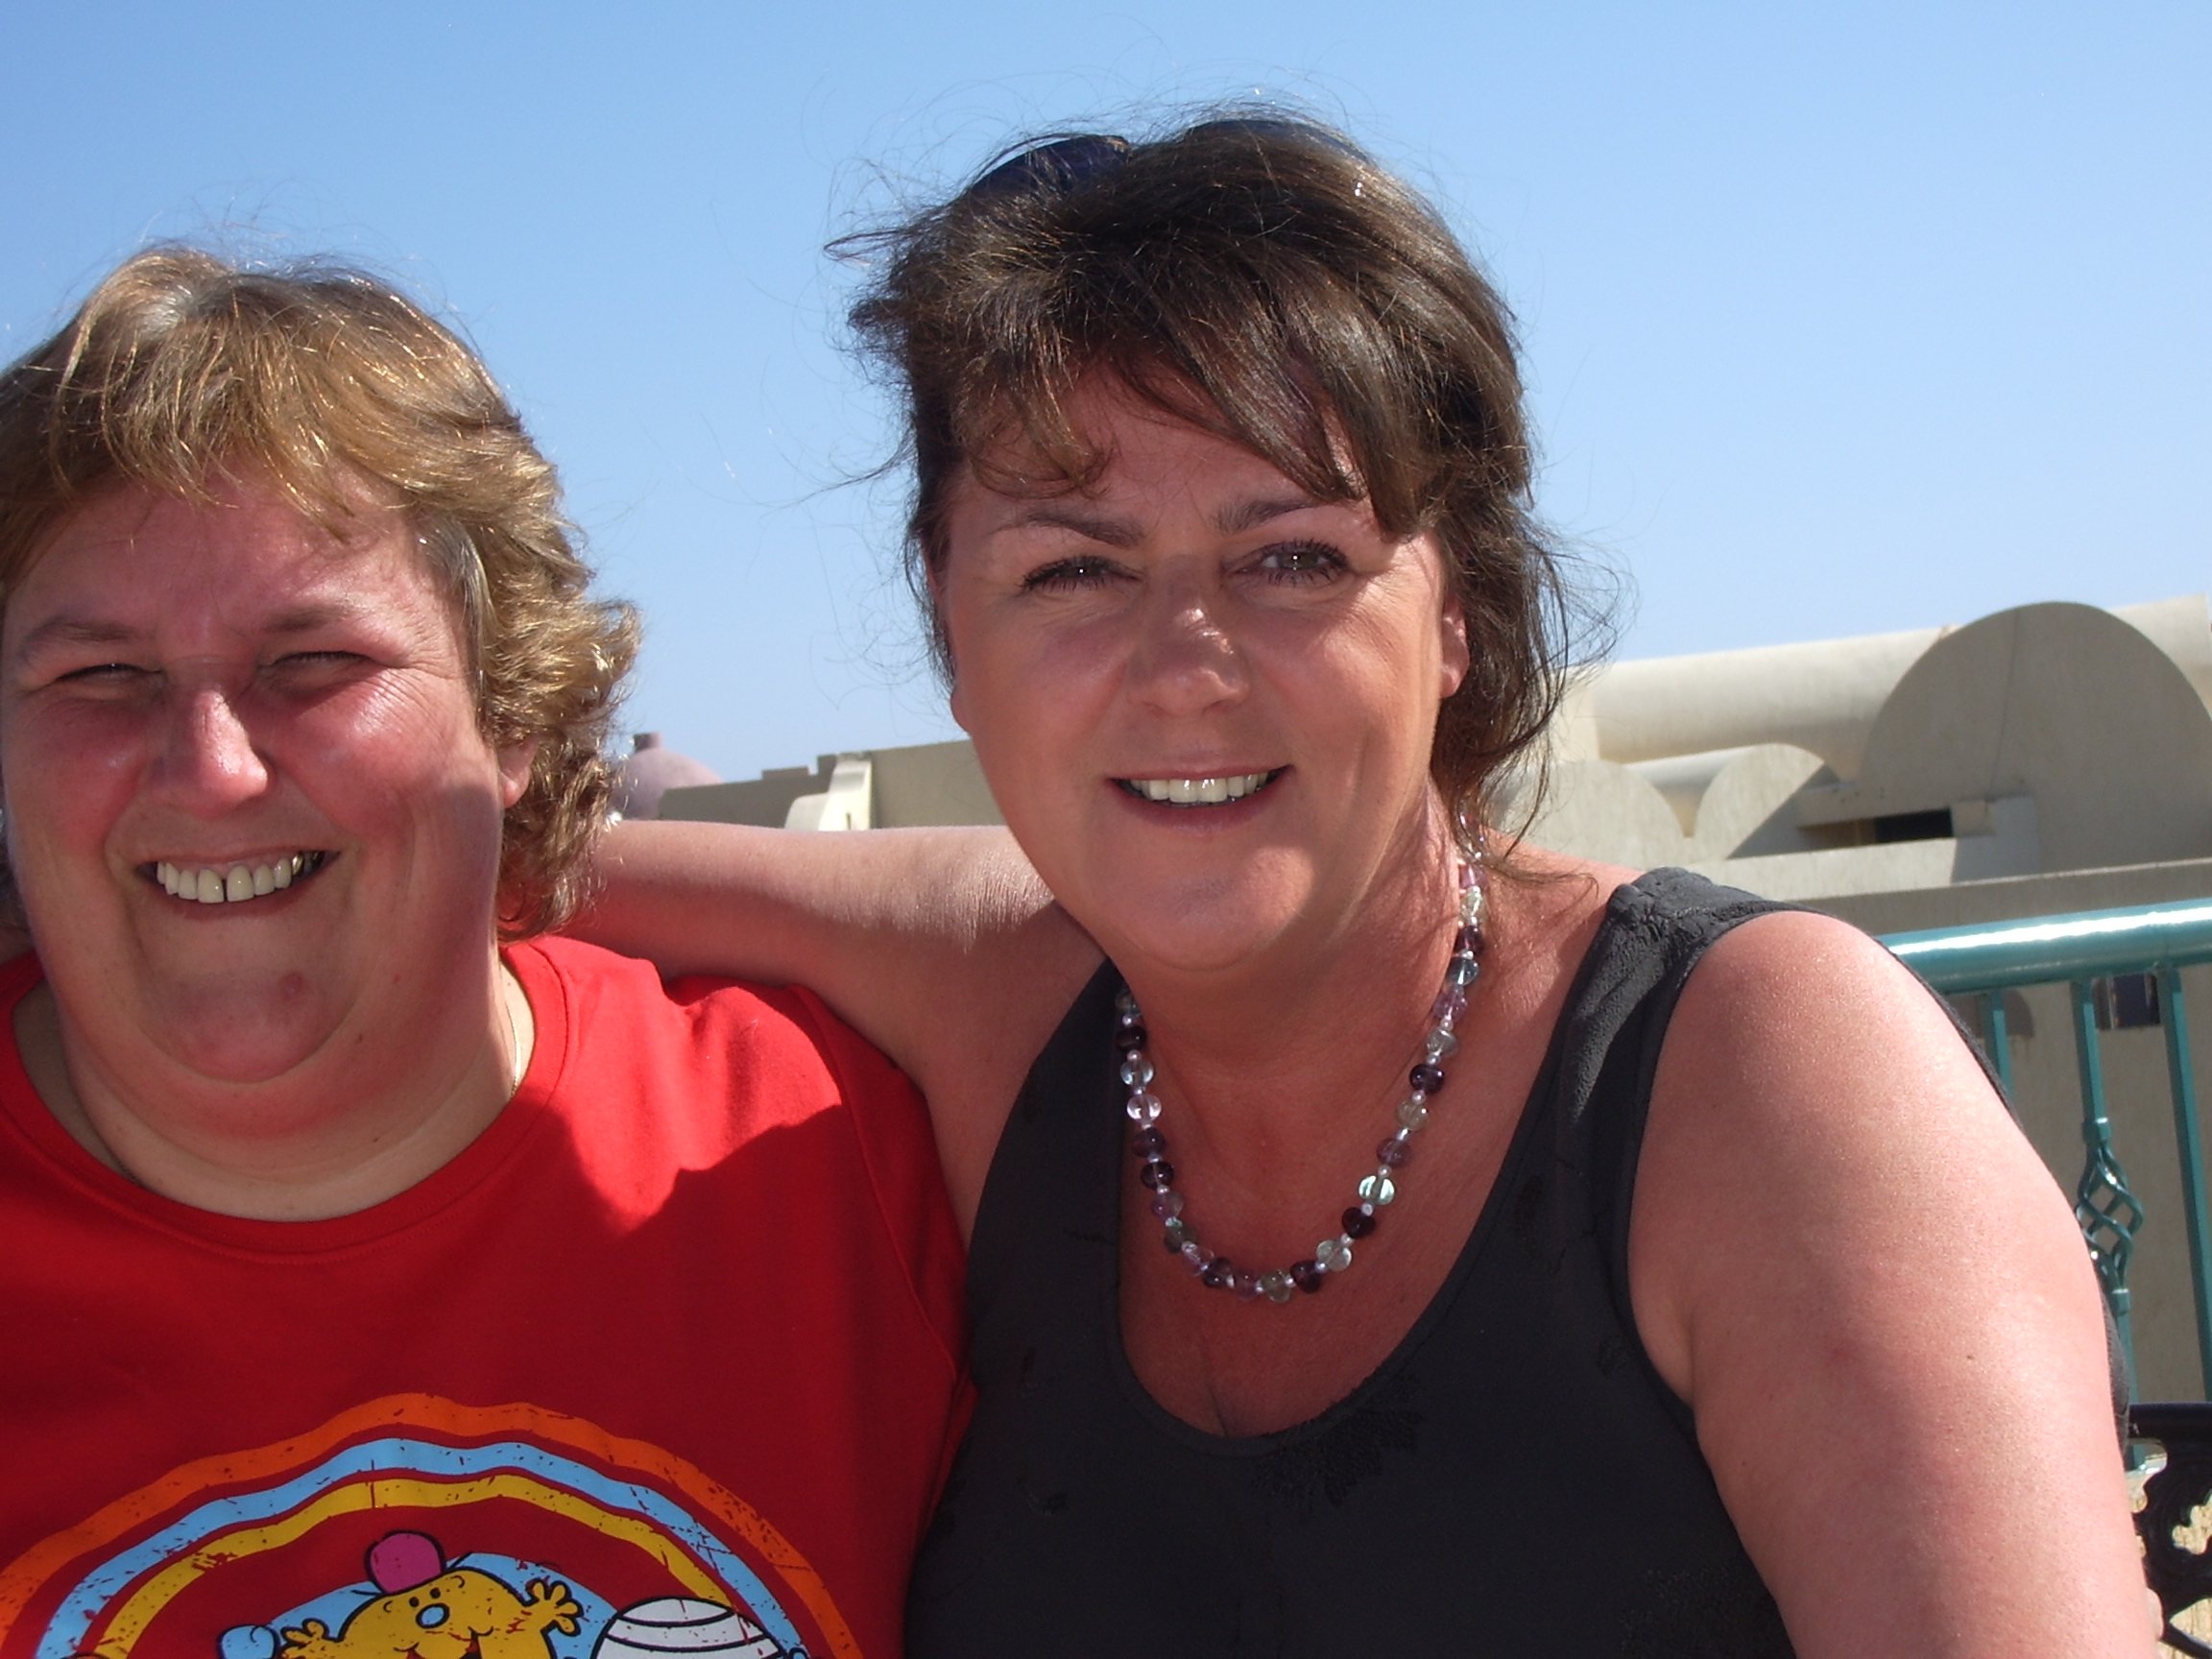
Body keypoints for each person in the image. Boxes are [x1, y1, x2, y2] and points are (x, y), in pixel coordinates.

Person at [583, 112, 2152, 1653]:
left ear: (1454, 611)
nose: (1183, 667)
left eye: (1293, 558)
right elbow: (515, 872)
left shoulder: (1767, 1082)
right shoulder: (1015, 1003)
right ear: (951, 630)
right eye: (1073, 569)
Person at [0, 250, 965, 1659]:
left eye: (315, 662)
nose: (208, 771)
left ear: (512, 715)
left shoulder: (834, 1159)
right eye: (100, 676)